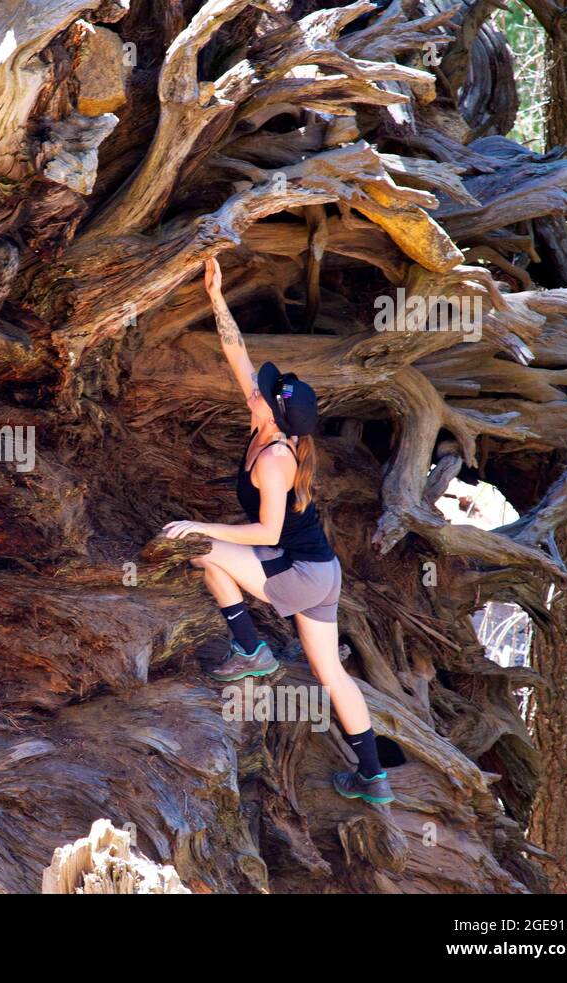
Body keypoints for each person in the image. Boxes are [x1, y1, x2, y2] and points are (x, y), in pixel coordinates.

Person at [162, 256, 394, 805]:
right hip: (321, 570)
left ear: (273, 413)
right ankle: (373, 776)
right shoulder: (267, 423)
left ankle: (250, 650)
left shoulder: (273, 459)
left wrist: (201, 524)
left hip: (303, 573)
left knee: (200, 551)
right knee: (331, 673)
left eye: (264, 393)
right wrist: (217, 298)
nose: (255, 390)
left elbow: (265, 527)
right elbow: (237, 355)